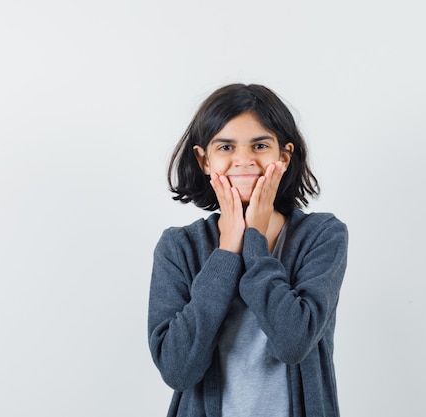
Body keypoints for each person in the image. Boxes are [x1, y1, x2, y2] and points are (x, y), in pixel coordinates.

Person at [148, 83, 348, 417]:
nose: (243, 160)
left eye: (260, 145)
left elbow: (293, 342)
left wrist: (253, 238)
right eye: (225, 146)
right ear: (204, 160)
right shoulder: (178, 247)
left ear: (284, 156)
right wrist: (227, 252)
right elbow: (177, 370)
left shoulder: (322, 236)